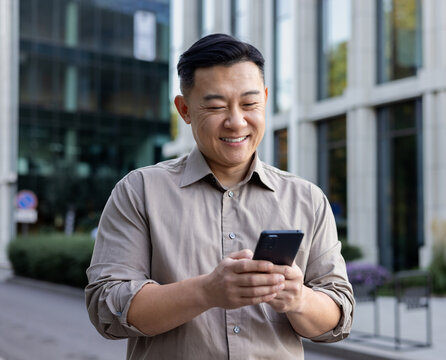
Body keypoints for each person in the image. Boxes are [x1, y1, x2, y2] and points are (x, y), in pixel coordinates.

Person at [85, 33, 354, 359]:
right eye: (215, 106)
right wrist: (206, 291)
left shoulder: (306, 198)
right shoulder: (139, 191)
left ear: (266, 100)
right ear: (184, 109)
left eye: (250, 104)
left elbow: (339, 316)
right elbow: (107, 308)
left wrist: (299, 299)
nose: (236, 121)